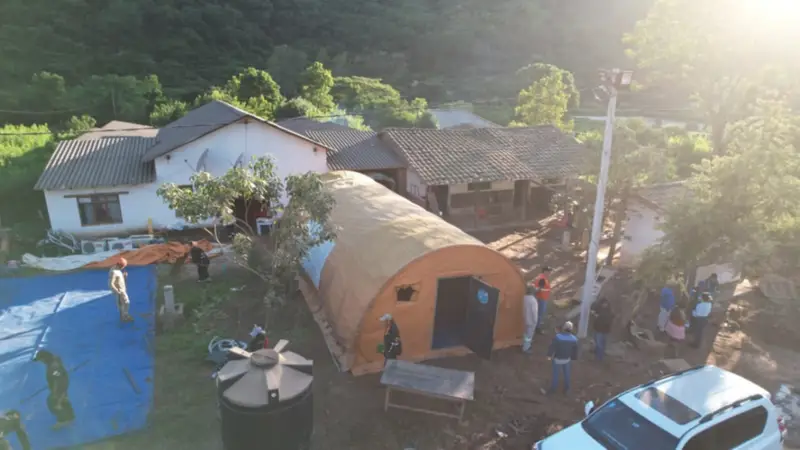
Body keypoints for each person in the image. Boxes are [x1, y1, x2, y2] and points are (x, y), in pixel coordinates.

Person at [33, 350, 75, 429]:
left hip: (60, 387)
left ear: (44, 358)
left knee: (53, 403)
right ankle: (70, 417)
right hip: (62, 383)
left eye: (40, 360)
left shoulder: (53, 367)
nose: (40, 362)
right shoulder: (53, 361)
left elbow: (59, 379)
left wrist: (55, 392)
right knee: (64, 401)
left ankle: (62, 421)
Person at [547, 321, 579, 395]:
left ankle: (553, 389)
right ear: (571, 329)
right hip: (567, 359)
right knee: (567, 374)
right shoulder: (574, 339)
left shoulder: (558, 337)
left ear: (564, 328)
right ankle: (567, 389)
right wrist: (574, 358)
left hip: (557, 359)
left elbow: (552, 347)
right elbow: (575, 350)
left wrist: (549, 356)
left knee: (555, 374)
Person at [109, 258, 133, 323]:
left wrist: (124, 276)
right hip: (120, 291)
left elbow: (118, 279)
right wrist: (117, 291)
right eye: (123, 266)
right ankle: (124, 317)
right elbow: (111, 283)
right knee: (125, 303)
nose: (123, 267)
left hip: (122, 290)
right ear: (121, 265)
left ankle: (124, 316)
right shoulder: (113, 272)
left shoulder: (118, 269)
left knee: (124, 303)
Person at [533, 266, 553, 334]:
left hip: (541, 298)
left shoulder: (541, 277)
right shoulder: (542, 279)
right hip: (541, 298)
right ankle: (537, 327)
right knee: (540, 313)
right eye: (549, 271)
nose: (550, 273)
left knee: (539, 313)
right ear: (545, 271)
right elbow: (538, 289)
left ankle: (537, 324)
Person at [522, 281, 539, 353]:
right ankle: (526, 348)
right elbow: (534, 312)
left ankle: (524, 344)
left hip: (525, 319)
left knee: (525, 333)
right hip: (531, 321)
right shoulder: (533, 300)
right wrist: (535, 320)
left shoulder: (524, 298)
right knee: (529, 335)